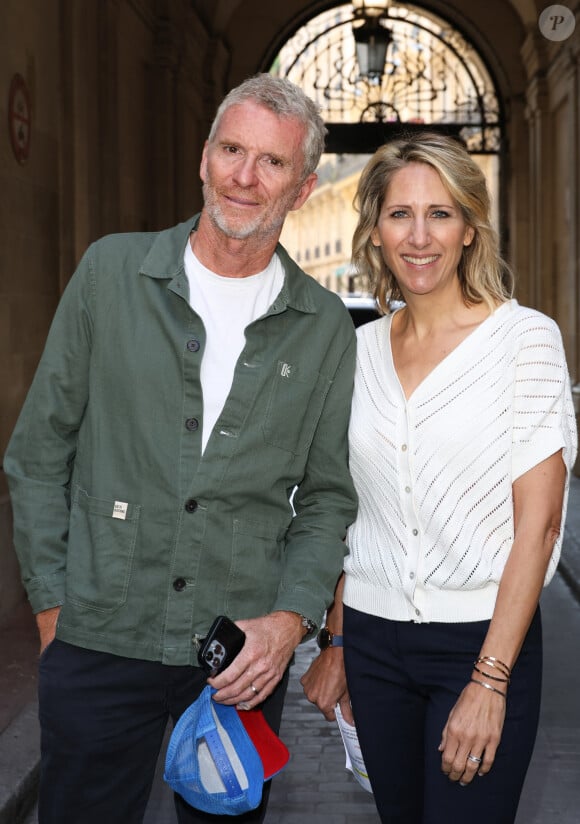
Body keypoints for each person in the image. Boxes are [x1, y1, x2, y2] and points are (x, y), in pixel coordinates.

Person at [3, 74, 358, 824]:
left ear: (301, 190)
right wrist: (53, 612)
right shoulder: (110, 274)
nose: (243, 176)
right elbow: (38, 454)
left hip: (242, 657)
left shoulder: (323, 325)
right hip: (99, 637)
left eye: (271, 163)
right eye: (232, 149)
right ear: (203, 158)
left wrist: (292, 621)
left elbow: (328, 497)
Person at [301, 132, 577, 824]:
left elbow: (539, 526)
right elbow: (348, 510)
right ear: (375, 232)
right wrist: (336, 642)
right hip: (372, 642)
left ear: (469, 230)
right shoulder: (356, 351)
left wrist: (490, 680)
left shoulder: (525, 340)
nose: (419, 236)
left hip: (482, 641)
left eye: (440, 213)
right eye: (399, 215)